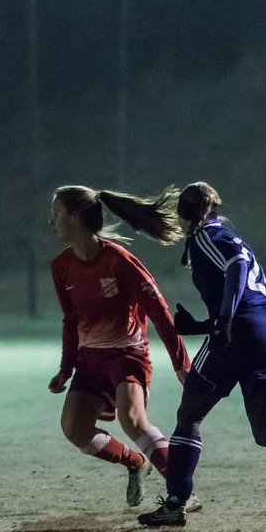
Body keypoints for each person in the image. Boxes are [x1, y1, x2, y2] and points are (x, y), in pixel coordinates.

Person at [134, 182, 266, 527]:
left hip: (241, 332)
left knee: (189, 416)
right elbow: (243, 285)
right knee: (264, 426)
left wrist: (223, 321)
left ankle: (175, 503)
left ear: (184, 215)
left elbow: (236, 265)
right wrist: (199, 326)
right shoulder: (219, 233)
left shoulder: (207, 236)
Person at [48, 186, 200, 511]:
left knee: (132, 419)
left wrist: (181, 364)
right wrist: (66, 369)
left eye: (56, 213)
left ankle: (181, 492)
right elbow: (71, 320)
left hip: (126, 356)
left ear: (75, 217)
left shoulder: (119, 261)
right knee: (74, 429)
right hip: (90, 360)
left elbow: (159, 311)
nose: (52, 222)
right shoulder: (61, 267)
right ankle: (135, 463)